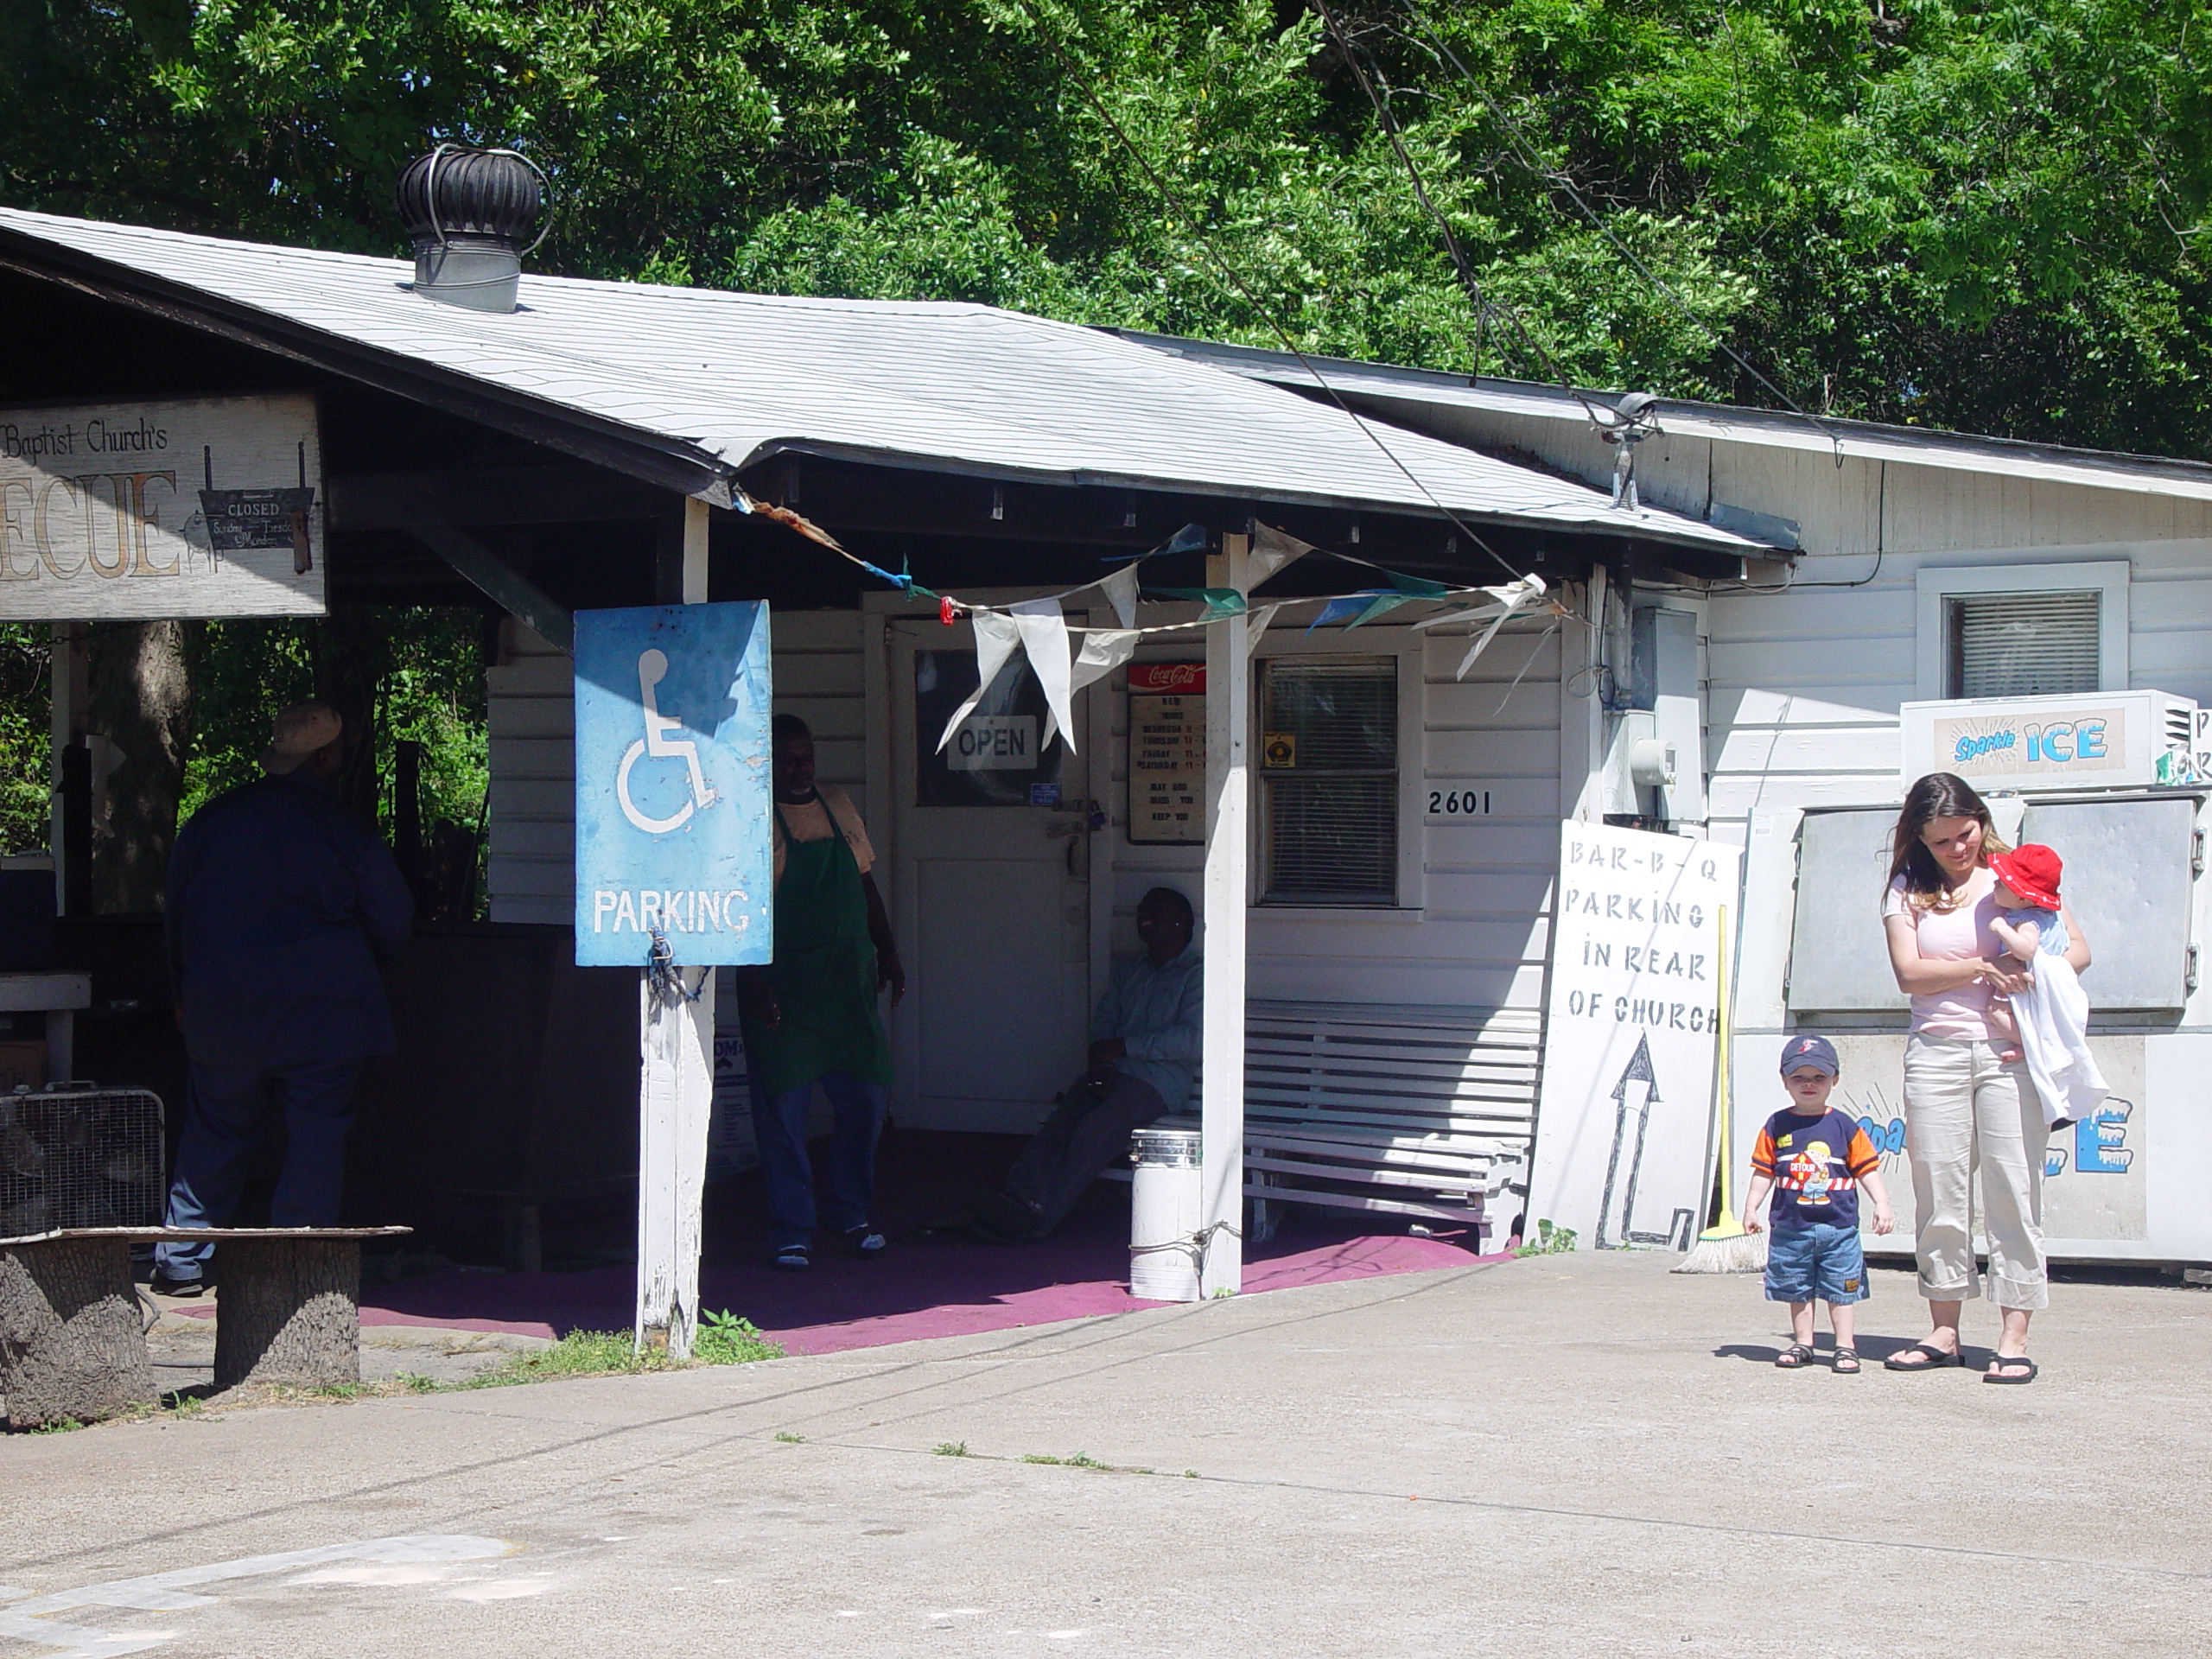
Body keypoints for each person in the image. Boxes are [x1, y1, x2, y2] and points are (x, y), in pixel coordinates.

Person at [152, 702, 414, 1295]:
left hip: (223, 1012)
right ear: (323, 757)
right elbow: (394, 918)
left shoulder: (211, 821)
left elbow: (176, 925)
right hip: (323, 1013)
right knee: (316, 1133)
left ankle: (181, 1256)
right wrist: (362, 969)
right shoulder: (346, 830)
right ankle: (295, 1259)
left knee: (216, 1128)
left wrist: (182, 993)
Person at [1879, 772, 2089, 1383]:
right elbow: (1909, 974)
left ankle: (2014, 1336)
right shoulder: (1906, 889)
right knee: (1939, 1193)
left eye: (1965, 834)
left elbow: (2077, 949)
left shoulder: (2014, 871)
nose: (1957, 851)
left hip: (2010, 1055)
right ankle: (1944, 1330)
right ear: (1918, 839)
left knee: (2013, 1192)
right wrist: (1982, 966)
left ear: (1981, 821)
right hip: (1937, 1052)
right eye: (1941, 842)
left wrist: (2032, 970)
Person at [736, 713, 905, 1272]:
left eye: (806, 754)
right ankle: (792, 1230)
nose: (800, 766)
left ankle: (849, 1211)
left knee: (866, 1100)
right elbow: (741, 913)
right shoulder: (752, 818)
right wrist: (755, 980)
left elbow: (864, 883)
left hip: (846, 987)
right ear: (767, 761)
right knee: (784, 1114)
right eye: (787, 758)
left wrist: (888, 949)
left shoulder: (837, 804)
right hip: (784, 989)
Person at [972, 887, 1201, 1243]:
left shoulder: (1196, 975)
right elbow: (1105, 1022)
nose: (1145, 922)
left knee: (1094, 1129)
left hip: (1158, 1083)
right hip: (1112, 1073)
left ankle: (1039, 1218)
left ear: (1180, 922)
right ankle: (1016, 1198)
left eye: (1154, 915)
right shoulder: (1130, 973)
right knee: (1062, 1121)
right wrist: (1103, 1061)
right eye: (1143, 914)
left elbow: (1191, 1040)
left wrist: (1125, 1047)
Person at [1743, 1036, 1894, 1373]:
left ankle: (1844, 1347)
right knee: (1797, 1288)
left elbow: (1866, 1169)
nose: (1809, 1085)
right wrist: (1751, 1208)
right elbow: (1763, 1171)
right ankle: (1804, 1343)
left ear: (1834, 1080)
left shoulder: (1843, 1125)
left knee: (1842, 1290)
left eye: (1819, 1078)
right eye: (1799, 1078)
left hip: (1837, 1228)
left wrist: (1881, 1203)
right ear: (1784, 1081)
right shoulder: (1776, 1125)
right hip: (1791, 1229)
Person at [1986, 843, 2107, 1129]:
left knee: (1995, 1009)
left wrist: (2001, 928)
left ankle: (2028, 1044)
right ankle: (2033, 1046)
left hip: (2030, 984)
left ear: (2022, 897)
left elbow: (2026, 949)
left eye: (2002, 882)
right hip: (2052, 986)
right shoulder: (2049, 914)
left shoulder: (2025, 920)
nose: (1995, 883)